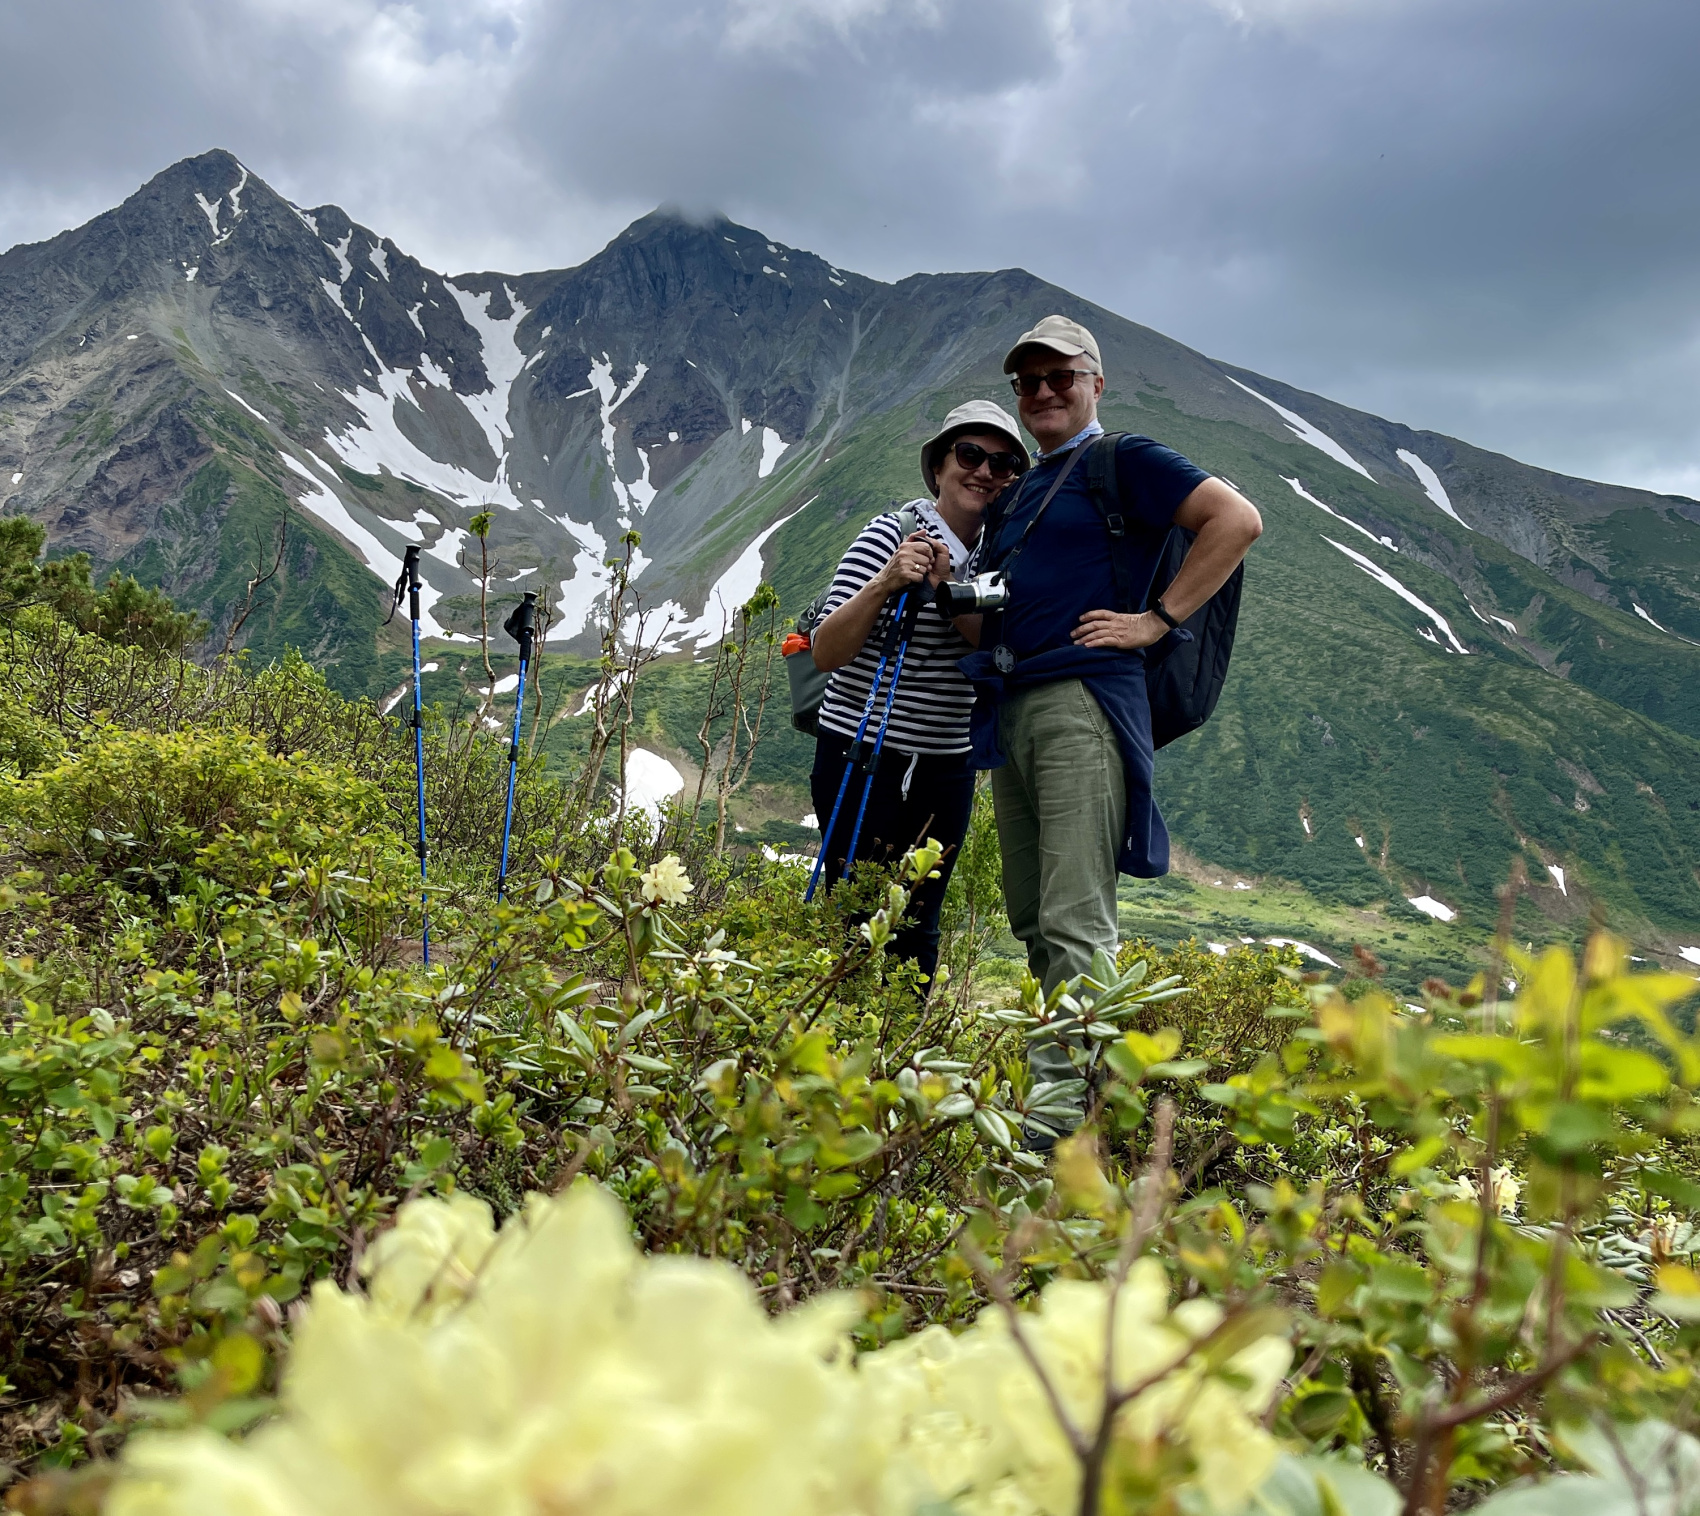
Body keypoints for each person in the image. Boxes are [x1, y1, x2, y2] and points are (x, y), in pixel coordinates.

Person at [957, 316, 1263, 1128]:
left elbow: (1236, 520)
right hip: (1015, 706)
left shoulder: (1123, 459)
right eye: (1028, 381)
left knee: (1073, 917)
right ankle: (1062, 1101)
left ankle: (1058, 1131)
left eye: (1061, 376)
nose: (1043, 392)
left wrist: (1155, 620)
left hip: (1081, 703)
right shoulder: (1022, 489)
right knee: (1034, 915)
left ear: (1096, 383)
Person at [809, 400, 1030, 984]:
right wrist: (886, 581)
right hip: (861, 753)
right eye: (970, 455)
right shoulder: (890, 533)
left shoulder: (1005, 556)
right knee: (854, 913)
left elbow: (1000, 652)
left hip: (946, 767)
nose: (984, 471)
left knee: (919, 922)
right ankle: (838, 1031)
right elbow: (826, 652)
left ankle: (899, 1036)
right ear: (939, 467)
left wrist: (948, 588)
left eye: (1003, 463)